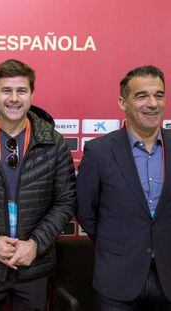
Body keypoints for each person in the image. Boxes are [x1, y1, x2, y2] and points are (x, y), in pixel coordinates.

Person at [0, 59, 76, 310]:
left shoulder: (54, 143)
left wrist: (35, 244)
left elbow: (65, 202)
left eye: (21, 91)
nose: (13, 98)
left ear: (32, 94)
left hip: (34, 264)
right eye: (6, 90)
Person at [76, 65, 171, 310]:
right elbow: (86, 210)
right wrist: (116, 242)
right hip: (117, 280)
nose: (153, 103)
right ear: (122, 102)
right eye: (142, 96)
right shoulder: (99, 151)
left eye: (159, 95)